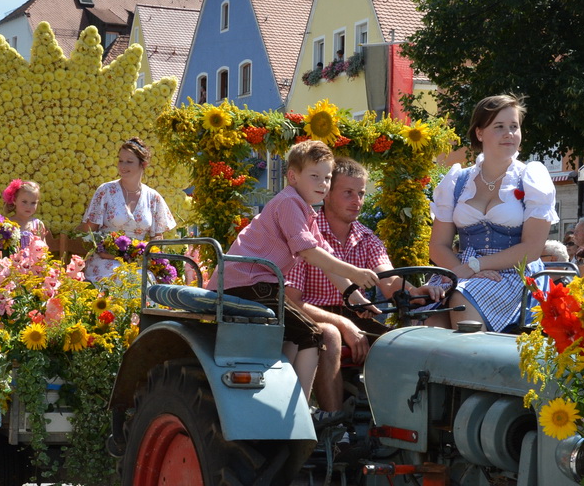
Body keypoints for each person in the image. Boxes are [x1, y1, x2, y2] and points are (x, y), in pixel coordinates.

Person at [214, 140, 380, 404]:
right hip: (249, 284)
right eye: (315, 176)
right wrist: (357, 273)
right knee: (312, 334)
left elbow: (326, 259)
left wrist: (356, 298)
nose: (322, 184)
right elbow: (308, 253)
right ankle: (298, 410)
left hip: (262, 285)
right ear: (292, 176)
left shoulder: (306, 211)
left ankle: (287, 400)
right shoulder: (289, 203)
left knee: (301, 333)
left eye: (326, 178)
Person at [428, 94, 557, 331]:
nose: (509, 133)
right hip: (462, 269)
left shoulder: (531, 178)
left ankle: (477, 367)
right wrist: (463, 271)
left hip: (513, 275)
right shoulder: (458, 181)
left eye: (514, 127)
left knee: (460, 302)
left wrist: (475, 267)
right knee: (431, 320)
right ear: (479, 133)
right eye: (499, 127)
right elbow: (438, 245)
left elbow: (532, 249)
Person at [283, 159, 400, 413]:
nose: (357, 201)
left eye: (361, 194)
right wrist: (344, 324)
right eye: (348, 193)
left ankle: (388, 425)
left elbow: (390, 281)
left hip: (352, 313)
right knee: (331, 335)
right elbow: (291, 301)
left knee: (399, 346)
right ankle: (333, 430)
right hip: (307, 317)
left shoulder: (367, 238)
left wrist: (419, 291)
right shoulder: (305, 235)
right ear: (326, 194)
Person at [80, 137, 175, 282]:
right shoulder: (105, 191)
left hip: (137, 263)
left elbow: (157, 239)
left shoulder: (153, 197)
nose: (123, 166)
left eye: (129, 161)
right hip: (106, 261)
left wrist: (146, 257)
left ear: (143, 164)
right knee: (121, 277)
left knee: (145, 279)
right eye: (120, 160)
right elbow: (90, 231)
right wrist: (102, 248)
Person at [1, 179, 48, 255]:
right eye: (24, 202)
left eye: (33, 203)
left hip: (32, 265)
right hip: (12, 265)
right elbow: (1, 250)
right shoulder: (7, 224)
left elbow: (44, 251)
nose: (28, 206)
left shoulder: (37, 224)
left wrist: (40, 240)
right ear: (14, 200)